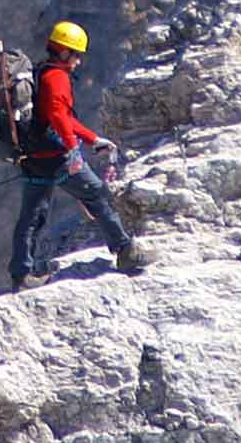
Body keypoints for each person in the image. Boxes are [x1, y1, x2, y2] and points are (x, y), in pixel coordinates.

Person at [10, 20, 152, 290]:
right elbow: (58, 116)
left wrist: (92, 139)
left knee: (32, 215)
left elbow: (59, 116)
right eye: (75, 55)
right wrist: (74, 150)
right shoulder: (57, 78)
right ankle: (125, 251)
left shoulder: (42, 72)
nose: (77, 61)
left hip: (34, 156)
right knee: (96, 194)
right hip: (57, 157)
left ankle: (21, 274)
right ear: (64, 52)